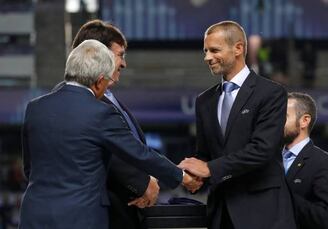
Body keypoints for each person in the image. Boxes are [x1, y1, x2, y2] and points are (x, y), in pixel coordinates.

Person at [20, 39, 200, 229]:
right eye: (107, 81)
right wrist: (183, 177)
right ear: (99, 81)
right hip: (80, 218)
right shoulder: (100, 112)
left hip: (34, 216)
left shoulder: (35, 108)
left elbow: (29, 168)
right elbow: (140, 154)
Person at [178, 21, 296, 229]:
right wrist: (192, 174)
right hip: (220, 213)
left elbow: (262, 150)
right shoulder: (204, 100)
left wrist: (209, 169)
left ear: (239, 48)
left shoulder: (271, 93)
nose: (207, 58)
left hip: (262, 213)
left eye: (214, 50)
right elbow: (205, 153)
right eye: (205, 51)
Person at [69, 19, 163, 229]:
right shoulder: (84, 102)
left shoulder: (109, 98)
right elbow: (111, 155)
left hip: (125, 213)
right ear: (97, 53)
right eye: (120, 54)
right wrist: (142, 184)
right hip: (102, 216)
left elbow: (133, 150)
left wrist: (148, 180)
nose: (124, 63)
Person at [283, 92, 328, 229]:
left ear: (304, 120)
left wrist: (282, 194)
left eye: (283, 116)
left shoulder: (324, 163)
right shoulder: (269, 160)